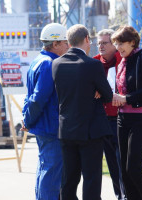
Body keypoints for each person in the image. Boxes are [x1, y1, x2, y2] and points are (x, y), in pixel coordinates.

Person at [52, 24, 113, 200]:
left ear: (69, 42)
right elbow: (108, 95)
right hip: (90, 131)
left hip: (66, 130)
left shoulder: (56, 64)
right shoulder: (93, 65)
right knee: (91, 179)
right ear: (86, 39)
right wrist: (98, 90)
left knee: (69, 179)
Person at [21, 23, 69, 200]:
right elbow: (38, 97)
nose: (68, 46)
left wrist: (26, 119)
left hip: (43, 126)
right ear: (55, 44)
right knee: (51, 173)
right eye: (65, 42)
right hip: (51, 127)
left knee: (45, 169)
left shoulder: (37, 61)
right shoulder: (50, 64)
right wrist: (28, 119)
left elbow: (29, 97)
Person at [111, 25, 142, 200]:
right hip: (122, 118)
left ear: (132, 42)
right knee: (123, 170)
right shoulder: (122, 62)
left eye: (121, 43)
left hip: (141, 117)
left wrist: (125, 98)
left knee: (133, 168)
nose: (118, 47)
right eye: (116, 43)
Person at [93, 29, 126, 200]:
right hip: (101, 120)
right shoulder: (93, 63)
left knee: (124, 163)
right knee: (111, 163)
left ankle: (127, 194)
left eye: (104, 43)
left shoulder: (124, 62)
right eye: (98, 43)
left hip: (121, 119)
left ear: (114, 44)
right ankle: (119, 195)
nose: (100, 46)